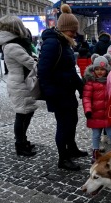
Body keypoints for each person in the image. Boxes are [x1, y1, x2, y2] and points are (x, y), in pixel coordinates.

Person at [38, 4, 88, 171]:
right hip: (58, 94)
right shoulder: (53, 43)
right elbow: (43, 71)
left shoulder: (64, 43)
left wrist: (81, 87)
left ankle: (71, 148)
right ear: (63, 29)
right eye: (72, 31)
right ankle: (63, 158)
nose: (74, 34)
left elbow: (69, 71)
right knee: (64, 125)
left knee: (72, 121)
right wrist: (51, 93)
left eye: (75, 31)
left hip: (67, 92)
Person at [0, 15, 38, 157]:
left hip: (22, 82)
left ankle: (23, 140)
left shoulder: (16, 43)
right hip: (19, 84)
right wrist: (39, 62)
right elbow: (30, 63)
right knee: (22, 114)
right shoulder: (12, 46)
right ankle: (20, 145)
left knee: (27, 113)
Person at [82, 54, 111, 162]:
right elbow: (86, 98)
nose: (99, 71)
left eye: (102, 69)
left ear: (106, 69)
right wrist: (88, 110)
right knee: (96, 134)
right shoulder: (90, 83)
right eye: (97, 69)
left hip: (107, 114)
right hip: (95, 114)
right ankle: (95, 151)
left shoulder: (110, 81)